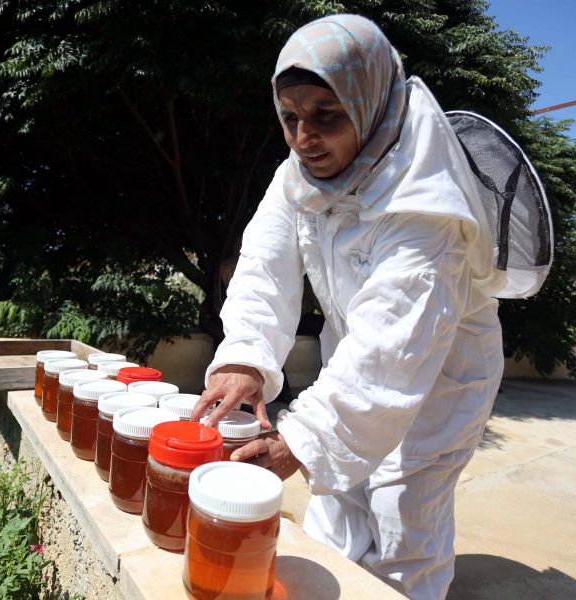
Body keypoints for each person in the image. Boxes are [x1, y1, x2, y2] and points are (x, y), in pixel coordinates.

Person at [191, 14, 505, 600]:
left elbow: (393, 345)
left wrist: (300, 440)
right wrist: (244, 358)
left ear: (369, 104)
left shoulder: (424, 203)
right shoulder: (297, 179)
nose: (303, 136)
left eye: (326, 115)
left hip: (438, 382)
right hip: (357, 363)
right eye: (290, 117)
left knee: (400, 520)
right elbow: (264, 270)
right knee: (335, 506)